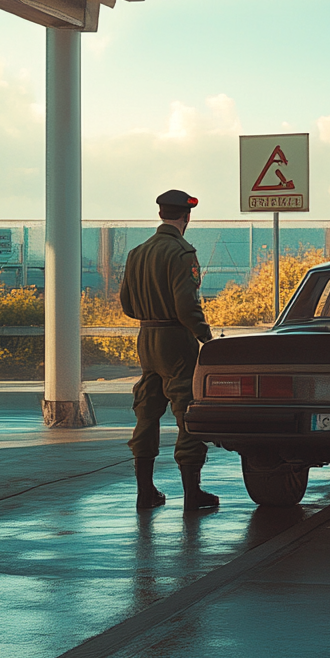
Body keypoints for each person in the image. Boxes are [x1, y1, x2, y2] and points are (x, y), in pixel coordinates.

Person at [120, 190, 218, 511]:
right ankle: (192, 494)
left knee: (147, 411)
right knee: (187, 411)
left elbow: (127, 304)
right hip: (177, 341)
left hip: (147, 339)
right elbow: (187, 306)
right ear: (186, 216)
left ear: (162, 213)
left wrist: (151, 317)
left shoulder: (138, 252)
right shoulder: (181, 253)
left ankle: (144, 492)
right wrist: (206, 337)